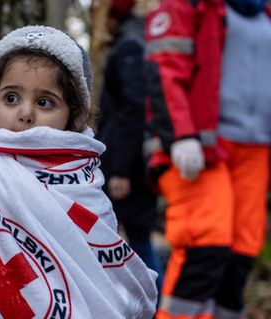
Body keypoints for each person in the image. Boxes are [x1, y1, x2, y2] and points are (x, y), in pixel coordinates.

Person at [0, 25, 158, 318]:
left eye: (44, 102)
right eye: (11, 98)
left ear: (73, 114)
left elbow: (100, 281)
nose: (25, 113)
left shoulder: (83, 183)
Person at [145, 0, 271, 318]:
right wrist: (181, 135)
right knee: (206, 243)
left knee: (241, 253)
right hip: (202, 147)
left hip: (256, 150)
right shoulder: (189, 5)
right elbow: (164, 68)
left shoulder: (264, 13)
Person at [97, 0, 164, 296]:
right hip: (137, 162)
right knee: (135, 239)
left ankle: (159, 306)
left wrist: (121, 170)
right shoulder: (142, 41)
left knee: (136, 241)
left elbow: (133, 111)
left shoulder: (130, 48)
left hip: (129, 169)